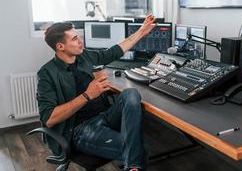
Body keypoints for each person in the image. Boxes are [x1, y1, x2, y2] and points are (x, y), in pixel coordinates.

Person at [37, 15, 156, 171]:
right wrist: (87, 95)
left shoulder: (84, 56)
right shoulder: (46, 74)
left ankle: (133, 166)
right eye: (74, 39)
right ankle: (134, 166)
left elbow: (115, 51)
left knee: (130, 94)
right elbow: (49, 119)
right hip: (80, 130)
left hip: (104, 116)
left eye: (78, 36)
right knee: (138, 148)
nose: (80, 41)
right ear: (60, 47)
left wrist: (141, 31)